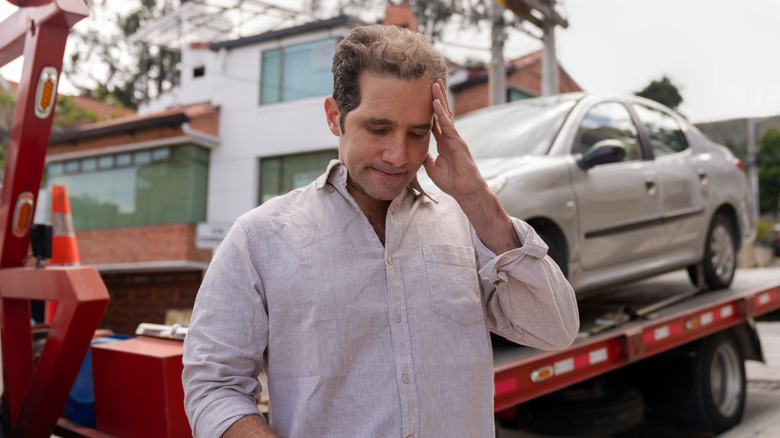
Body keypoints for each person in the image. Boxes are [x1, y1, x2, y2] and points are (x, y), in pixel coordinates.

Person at [182, 24, 579, 438]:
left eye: (417, 133)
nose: (398, 155)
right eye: (378, 128)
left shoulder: (468, 223)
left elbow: (555, 329)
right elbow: (214, 387)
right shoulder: (258, 239)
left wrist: (477, 197)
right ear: (335, 117)